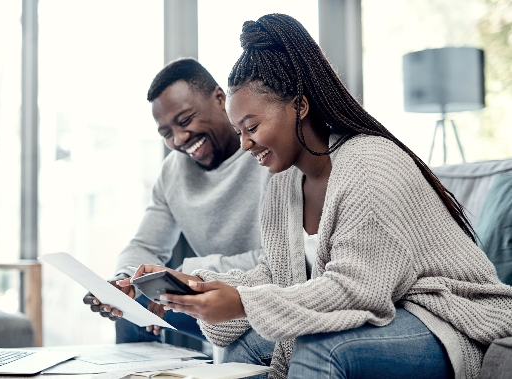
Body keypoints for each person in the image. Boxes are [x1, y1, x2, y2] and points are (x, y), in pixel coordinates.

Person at [121, 14, 512, 379]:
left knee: (320, 347)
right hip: (386, 311)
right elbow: (276, 276)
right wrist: (200, 284)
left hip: (444, 317)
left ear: (300, 105)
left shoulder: (370, 163)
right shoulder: (283, 183)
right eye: (239, 130)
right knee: (247, 342)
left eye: (252, 126)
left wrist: (243, 303)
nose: (245, 144)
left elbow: (358, 290)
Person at [83, 58, 272, 343]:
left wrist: (186, 275)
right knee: (132, 312)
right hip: (203, 293)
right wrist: (124, 283)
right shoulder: (173, 171)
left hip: (259, 296)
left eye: (185, 120)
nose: (180, 138)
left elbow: (277, 261)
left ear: (220, 98)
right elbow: (145, 245)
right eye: (166, 133)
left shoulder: (267, 153)